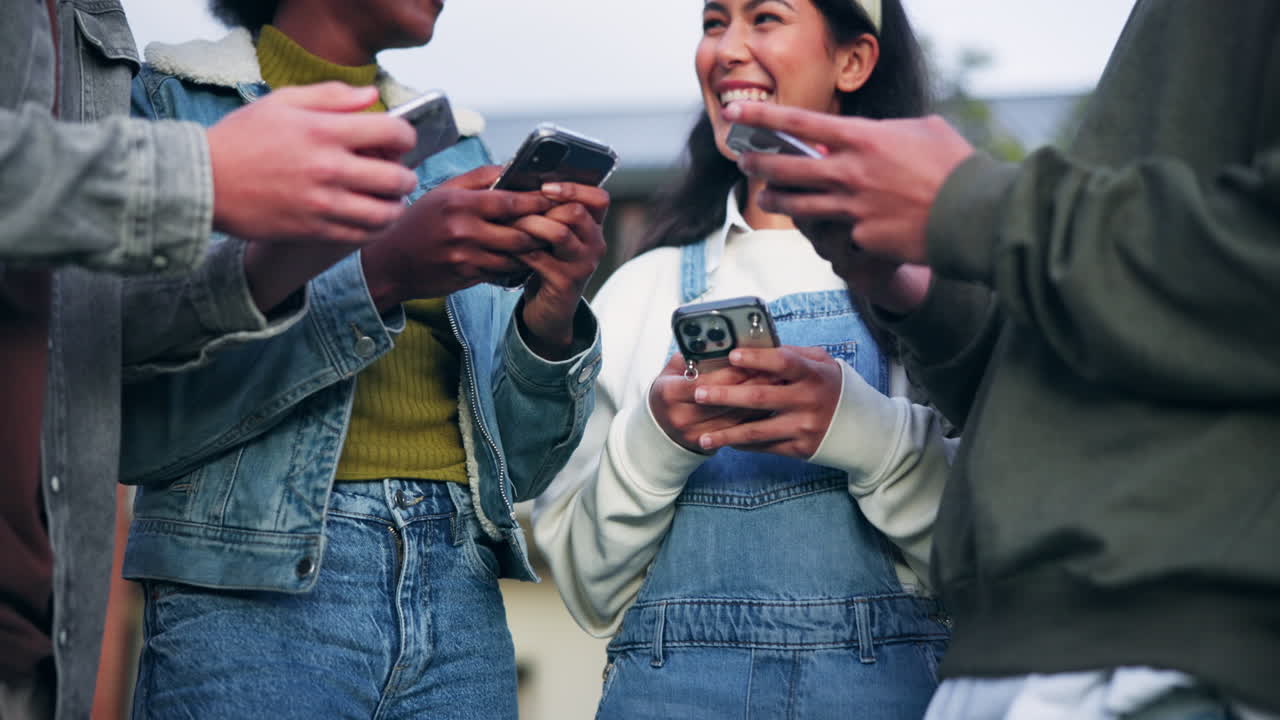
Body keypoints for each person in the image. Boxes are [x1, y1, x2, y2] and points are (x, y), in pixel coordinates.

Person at [727, 0, 1280, 717]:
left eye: (765, 17)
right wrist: (922, 293)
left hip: (1168, 660)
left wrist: (978, 207)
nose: (732, 48)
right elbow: (1098, 350)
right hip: (1009, 657)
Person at [116, 0, 607, 717]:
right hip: (251, 597)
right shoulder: (171, 107)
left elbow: (521, 469)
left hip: (461, 592)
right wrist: (381, 274)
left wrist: (551, 317)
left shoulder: (457, 151)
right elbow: (135, 410)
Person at [532, 1, 954, 717]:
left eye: (764, 17)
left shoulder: (934, 282)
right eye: (712, 21)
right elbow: (586, 587)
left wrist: (864, 434)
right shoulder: (643, 289)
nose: (726, 50)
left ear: (853, 61)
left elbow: (987, 553)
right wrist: (657, 438)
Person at [0, 0, 419, 716]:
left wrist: (269, 268)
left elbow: (91, 320)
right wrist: (200, 174)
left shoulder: (92, 24)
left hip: (41, 622)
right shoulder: (164, 89)